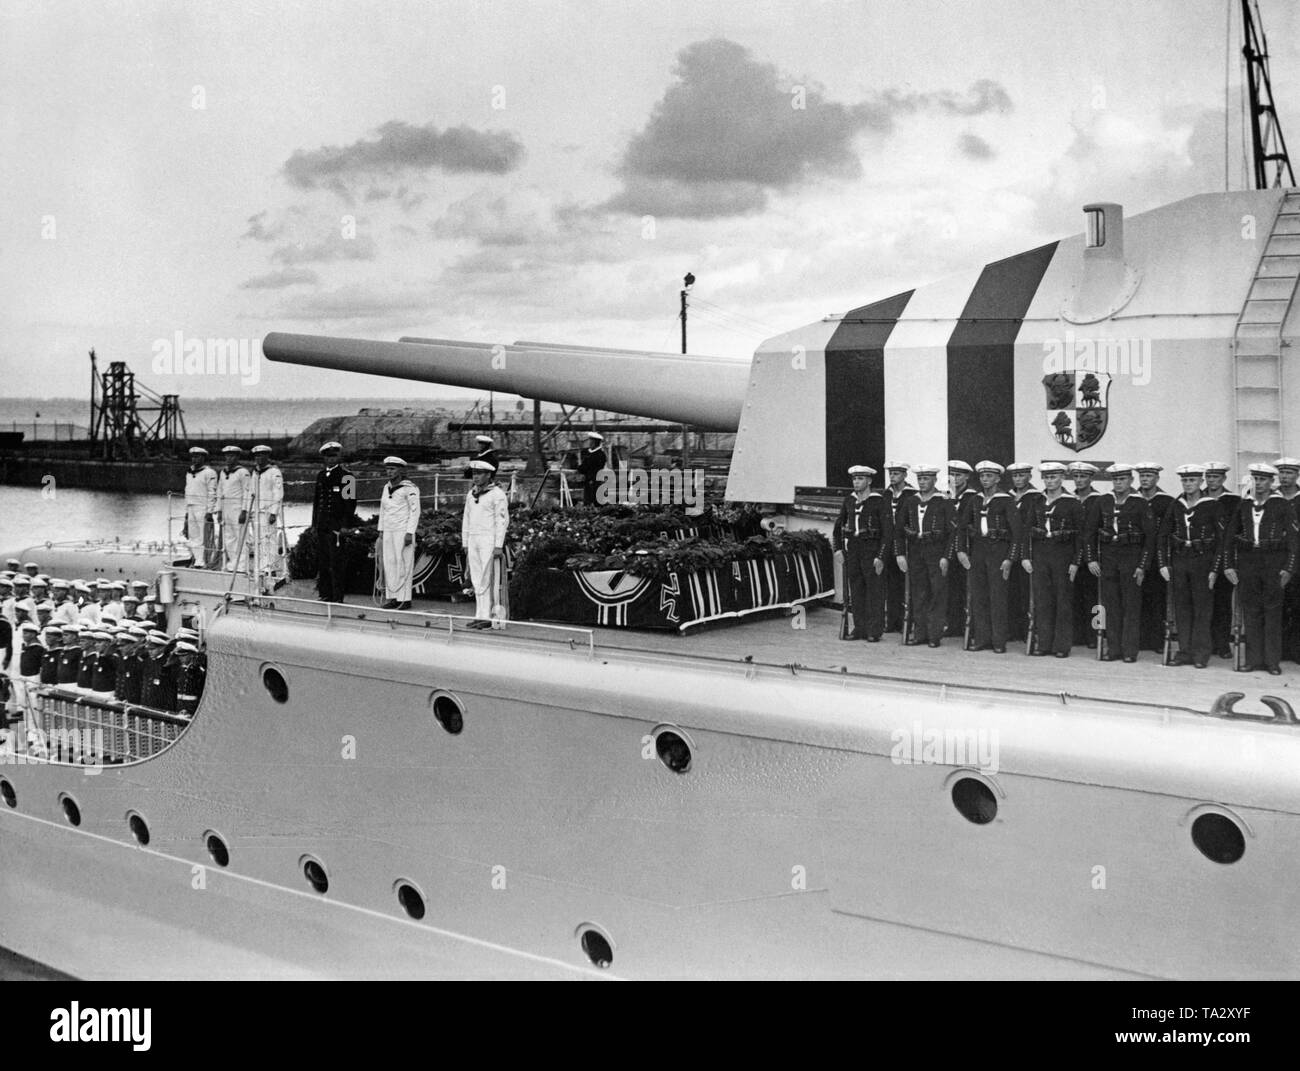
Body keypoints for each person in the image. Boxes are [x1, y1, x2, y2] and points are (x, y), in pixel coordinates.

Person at [1222, 462, 1299, 674]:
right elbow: (1229, 536)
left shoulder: (1281, 505)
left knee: (1272, 612)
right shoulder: (1244, 505)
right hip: (1249, 562)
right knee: (1251, 611)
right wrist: (1228, 565)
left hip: (1273, 561)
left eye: (1263, 479)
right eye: (1256, 479)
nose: (1259, 483)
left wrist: (1289, 569)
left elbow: (1294, 541)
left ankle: (1272, 662)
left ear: (1272, 481)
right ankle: (1254, 660)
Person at [1085, 463, 1154, 662]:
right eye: (1115, 479)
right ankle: (1113, 648)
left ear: (1131, 481)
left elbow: (1150, 538)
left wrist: (1142, 565)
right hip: (1107, 559)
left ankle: (1129, 651)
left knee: (1131, 606)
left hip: (1131, 558)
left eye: (1122, 479)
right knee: (1110, 606)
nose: (1118, 483)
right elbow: (1089, 532)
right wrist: (1091, 559)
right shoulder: (1103, 501)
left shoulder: (1139, 503)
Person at [955, 461, 1021, 653]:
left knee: (998, 597)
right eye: (983, 476)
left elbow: (1017, 532)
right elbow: (961, 526)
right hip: (978, 550)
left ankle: (999, 641)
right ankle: (982, 639)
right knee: (979, 596)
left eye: (989, 476)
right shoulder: (975, 500)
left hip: (999, 550)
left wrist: (1010, 558)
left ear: (998, 478)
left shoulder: (1006, 500)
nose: (985, 480)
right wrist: (961, 551)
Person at [1158, 464, 1219, 668]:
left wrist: (1215, 568)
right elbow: (1163, 534)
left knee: (1202, 609)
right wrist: (1164, 563)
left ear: (1201, 482)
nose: (1188, 484)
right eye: (1185, 480)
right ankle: (1184, 651)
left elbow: (1222, 540)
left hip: (1202, 561)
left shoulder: (1211, 505)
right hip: (1180, 561)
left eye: (1192, 480)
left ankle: (1201, 653)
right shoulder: (1177, 504)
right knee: (1182, 608)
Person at [1022, 461, 1082, 657]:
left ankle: (1061, 646)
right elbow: (1026, 531)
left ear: (1062, 478)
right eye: (1046, 477)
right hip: (1040, 554)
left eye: (1054, 477)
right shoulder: (1037, 501)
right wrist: (1026, 556)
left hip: (1062, 554)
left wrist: (1075, 561)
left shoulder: (1072, 503)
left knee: (1062, 600)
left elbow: (1081, 536)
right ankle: (1044, 643)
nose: (1050, 481)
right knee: (1043, 600)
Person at [894, 464, 951, 647]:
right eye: (920, 479)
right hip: (916, 551)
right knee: (918, 593)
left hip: (936, 551)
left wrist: (946, 556)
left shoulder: (943, 501)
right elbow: (899, 529)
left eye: (926, 479)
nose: (922, 482)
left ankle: (934, 635)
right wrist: (900, 554)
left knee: (937, 593)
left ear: (934, 480)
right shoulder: (911, 501)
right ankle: (920, 634)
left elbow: (953, 533)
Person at [832, 465, 892, 642]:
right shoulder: (849, 501)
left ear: (869, 481)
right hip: (854, 550)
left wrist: (881, 556)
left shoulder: (879, 501)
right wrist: (838, 550)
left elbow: (888, 532)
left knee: (874, 591)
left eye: (860, 479)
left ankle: (874, 630)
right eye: (854, 479)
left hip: (871, 549)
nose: (856, 482)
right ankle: (859, 628)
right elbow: (838, 528)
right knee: (856, 590)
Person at [461, 459, 509, 628]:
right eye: (474, 473)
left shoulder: (497, 494)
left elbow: (501, 521)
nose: (476, 477)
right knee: (476, 579)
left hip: (489, 539)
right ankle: (479, 615)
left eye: (480, 473)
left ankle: (490, 617)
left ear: (489, 475)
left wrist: (498, 545)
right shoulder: (471, 494)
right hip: (474, 539)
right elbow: (466, 519)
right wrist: (465, 542)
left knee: (487, 579)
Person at [1203, 461, 1241, 660]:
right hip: (1203, 558)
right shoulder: (1196, 498)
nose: (1211, 481)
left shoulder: (1233, 501)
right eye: (1208, 477)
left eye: (1215, 477)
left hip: (1225, 557)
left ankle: (1222, 643)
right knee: (1203, 603)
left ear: (1223, 479)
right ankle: (1205, 643)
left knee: (1223, 603)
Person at [311, 442, 356, 603]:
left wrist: (345, 525)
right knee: (323, 561)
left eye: (334, 456)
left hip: (336, 526)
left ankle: (337, 596)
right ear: (324, 458)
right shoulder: (321, 475)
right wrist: (314, 524)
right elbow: (317, 502)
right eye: (328, 456)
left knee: (336, 562)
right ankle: (325, 594)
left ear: (339, 456)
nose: (331, 459)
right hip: (323, 525)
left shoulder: (347, 476)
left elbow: (350, 503)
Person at [377, 456, 421, 610]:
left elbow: (415, 512)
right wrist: (381, 530)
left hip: (403, 531)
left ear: (401, 470)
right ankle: (392, 596)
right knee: (389, 563)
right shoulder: (386, 487)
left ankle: (404, 598)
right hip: (389, 530)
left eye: (393, 469)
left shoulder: (410, 488)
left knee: (403, 563)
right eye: (388, 469)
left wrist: (410, 532)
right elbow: (383, 510)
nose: (389, 472)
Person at [1006, 461, 1042, 644]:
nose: (1018, 479)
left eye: (1022, 475)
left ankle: (1030, 629)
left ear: (1030, 476)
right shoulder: (1007, 496)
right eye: (1015, 475)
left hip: (1027, 550)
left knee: (1028, 592)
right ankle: (1013, 629)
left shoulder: (1036, 497)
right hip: (1008, 550)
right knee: (1010, 591)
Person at [944, 460, 978, 638]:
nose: (955, 479)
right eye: (952, 475)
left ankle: (970, 625)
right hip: (950, 547)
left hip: (966, 548)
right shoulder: (949, 496)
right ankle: (954, 624)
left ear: (967, 477)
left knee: (967, 588)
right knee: (952, 587)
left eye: (958, 475)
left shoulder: (972, 497)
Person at [883, 462, 918, 633]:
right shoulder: (886, 494)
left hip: (906, 544)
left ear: (905, 475)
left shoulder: (912, 495)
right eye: (891, 473)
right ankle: (892, 620)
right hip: (889, 544)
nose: (892, 477)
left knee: (909, 583)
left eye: (896, 473)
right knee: (891, 583)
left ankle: (909, 620)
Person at [1275, 457, 1300, 663]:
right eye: (1282, 473)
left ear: (1297, 475)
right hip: (1274, 559)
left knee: (1298, 605)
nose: (1285, 477)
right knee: (1277, 606)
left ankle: (1296, 650)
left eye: (1289, 473)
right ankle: (1279, 649)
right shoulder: (1270, 497)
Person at [248, 445, 285, 581]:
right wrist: (249, 510)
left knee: (269, 540)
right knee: (259, 541)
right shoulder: (255, 472)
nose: (259, 458)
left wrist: (274, 512)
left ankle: (271, 568)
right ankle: (262, 567)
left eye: (262, 455)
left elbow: (278, 492)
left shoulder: (273, 472)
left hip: (268, 511)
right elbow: (251, 492)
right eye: (257, 455)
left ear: (267, 456)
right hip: (256, 511)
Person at [216, 445, 251, 572]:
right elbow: (220, 491)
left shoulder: (243, 472)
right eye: (227, 455)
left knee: (240, 537)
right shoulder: (223, 472)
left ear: (237, 457)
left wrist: (244, 510)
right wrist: (219, 510)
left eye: (232, 456)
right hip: (226, 509)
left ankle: (241, 566)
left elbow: (247, 492)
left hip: (238, 508)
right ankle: (233, 563)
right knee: (229, 538)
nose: (229, 458)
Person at [183, 446, 219, 567]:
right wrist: (187, 511)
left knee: (204, 536)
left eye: (197, 456)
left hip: (202, 507)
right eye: (193, 456)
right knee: (193, 535)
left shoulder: (209, 473)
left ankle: (204, 560)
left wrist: (210, 511)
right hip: (191, 506)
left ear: (203, 457)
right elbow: (187, 491)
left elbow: (212, 492)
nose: (194, 459)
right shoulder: (189, 472)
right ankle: (198, 560)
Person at [577, 432, 607, 506]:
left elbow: (584, 467)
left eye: (591, 441)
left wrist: (580, 468)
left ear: (595, 442)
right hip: (592, 480)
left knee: (592, 501)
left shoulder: (597, 455)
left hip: (593, 481)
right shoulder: (597, 454)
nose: (589, 443)